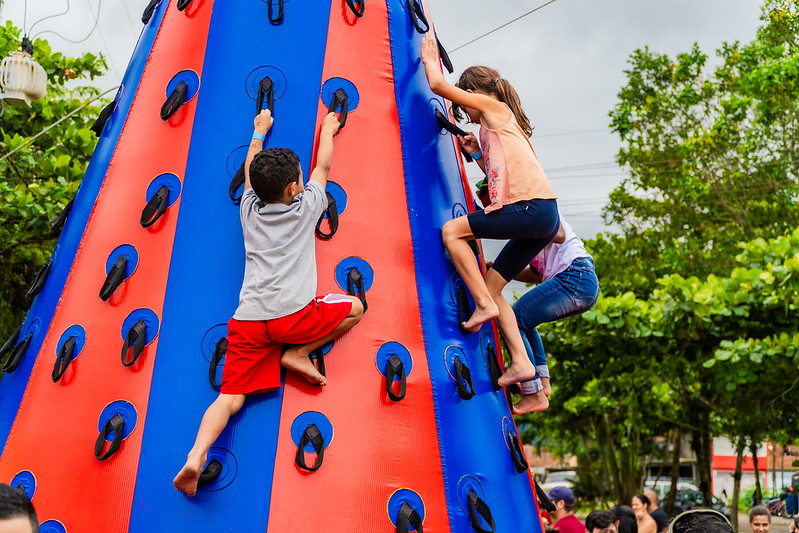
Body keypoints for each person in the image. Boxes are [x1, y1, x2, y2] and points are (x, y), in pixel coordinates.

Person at [173, 109, 364, 497]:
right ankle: (299, 354)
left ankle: (195, 454)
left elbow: (248, 171)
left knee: (229, 396)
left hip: (248, 321)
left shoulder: (248, 209)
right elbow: (323, 165)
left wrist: (258, 131)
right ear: (295, 189)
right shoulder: (309, 206)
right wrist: (328, 128)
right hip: (294, 318)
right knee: (356, 308)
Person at [420, 34, 560, 404]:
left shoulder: (493, 106)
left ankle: (481, 303)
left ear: (476, 91)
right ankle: (522, 364)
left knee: (453, 232)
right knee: (496, 287)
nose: (467, 113)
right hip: (543, 216)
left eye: (467, 104)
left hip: (531, 210)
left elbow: (437, 85)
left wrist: (428, 56)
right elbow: (502, 180)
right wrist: (477, 155)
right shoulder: (496, 126)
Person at [509, 213, 598, 413]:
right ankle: (542, 381)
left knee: (513, 318)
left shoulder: (536, 210)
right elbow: (537, 274)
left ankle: (533, 392)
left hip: (575, 275)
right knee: (525, 321)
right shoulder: (529, 232)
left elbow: (556, 233)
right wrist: (498, 270)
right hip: (583, 284)